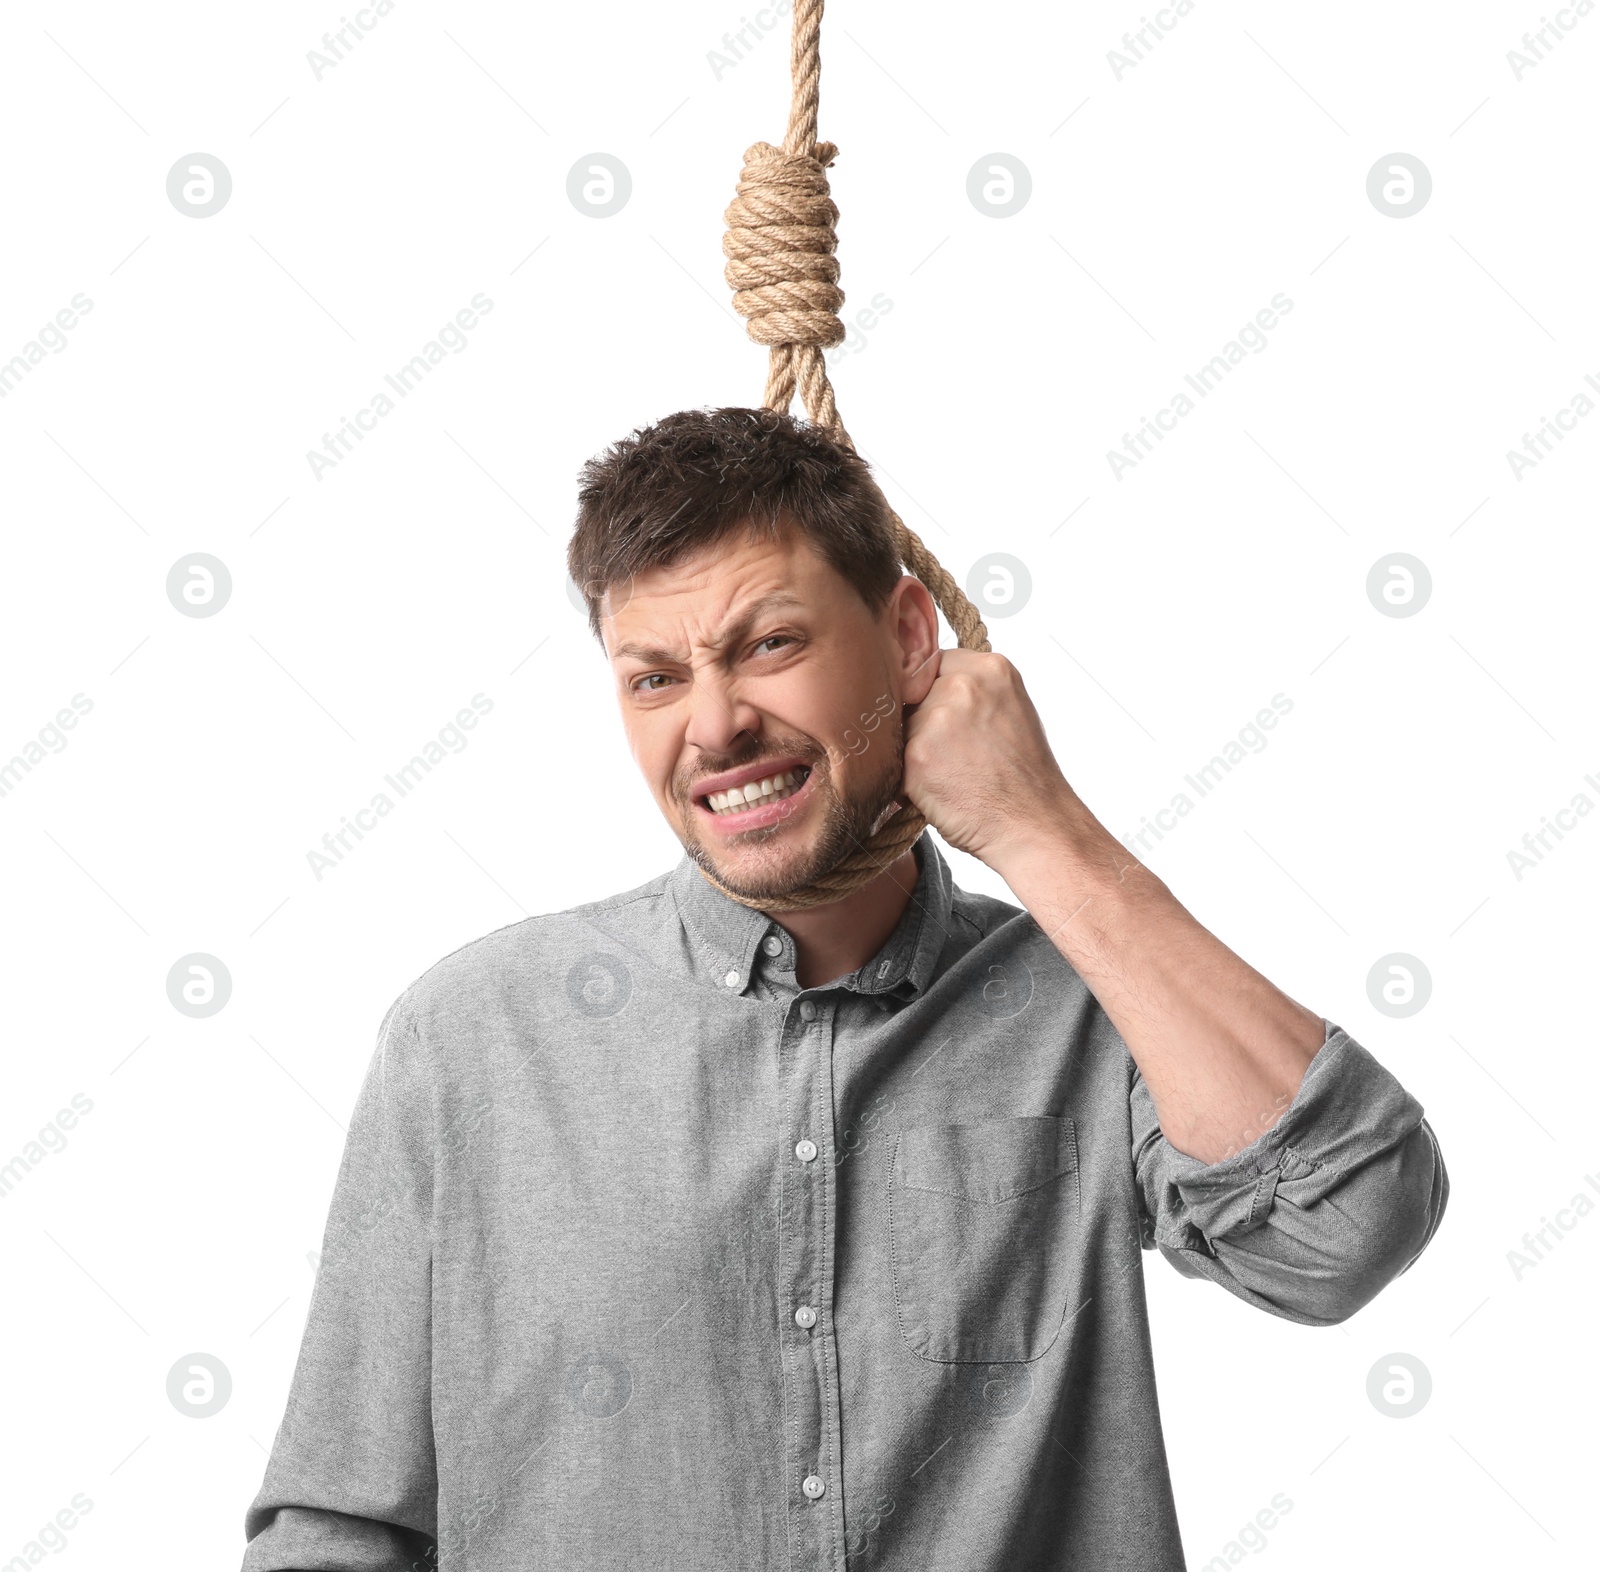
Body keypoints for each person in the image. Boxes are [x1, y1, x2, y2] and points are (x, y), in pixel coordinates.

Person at [242, 405, 1448, 1571]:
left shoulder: (1095, 1014)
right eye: (653, 678)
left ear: (910, 638)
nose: (714, 727)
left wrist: (1040, 828)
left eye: (770, 645)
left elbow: (1345, 1231)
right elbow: (341, 1531)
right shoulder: (469, 1040)